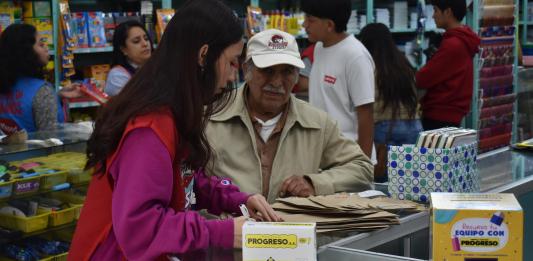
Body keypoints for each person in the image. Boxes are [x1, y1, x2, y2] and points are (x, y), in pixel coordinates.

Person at [68, 1, 281, 260]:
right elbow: (141, 228)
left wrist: (239, 199)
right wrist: (222, 232)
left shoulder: (172, 111)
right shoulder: (149, 128)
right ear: (204, 56)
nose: (230, 77)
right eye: (231, 62)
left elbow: (184, 178)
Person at [206, 29, 373, 203]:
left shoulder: (317, 123)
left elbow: (362, 168)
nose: (277, 82)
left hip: (293, 229)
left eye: (287, 72)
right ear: (246, 70)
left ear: (296, 76)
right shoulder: (211, 117)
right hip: (230, 229)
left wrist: (314, 183)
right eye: (268, 71)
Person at [302, 0, 376, 161]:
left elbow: (366, 114)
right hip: (325, 154)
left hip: (349, 157)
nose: (304, 24)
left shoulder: (356, 56)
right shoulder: (319, 48)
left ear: (329, 25)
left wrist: (362, 164)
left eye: (310, 20)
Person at [358, 23, 423, 182]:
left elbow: (364, 102)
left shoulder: (368, 66)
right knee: (409, 182)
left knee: (383, 183)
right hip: (413, 125)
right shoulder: (403, 63)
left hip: (383, 127)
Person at [0, 23, 81, 135]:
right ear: (26, 52)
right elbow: (52, 140)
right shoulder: (42, 91)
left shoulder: (5, 84)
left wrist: (56, 96)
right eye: (41, 45)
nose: (47, 48)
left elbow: (24, 106)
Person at [416, 0, 480, 130]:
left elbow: (424, 78)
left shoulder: (453, 44)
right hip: (450, 114)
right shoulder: (462, 39)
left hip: (440, 115)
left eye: (435, 10)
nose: (433, 15)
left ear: (448, 12)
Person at [104, 20, 153, 96]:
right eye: (136, 41)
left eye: (146, 39)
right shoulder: (117, 76)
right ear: (123, 49)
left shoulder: (156, 67)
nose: (145, 44)